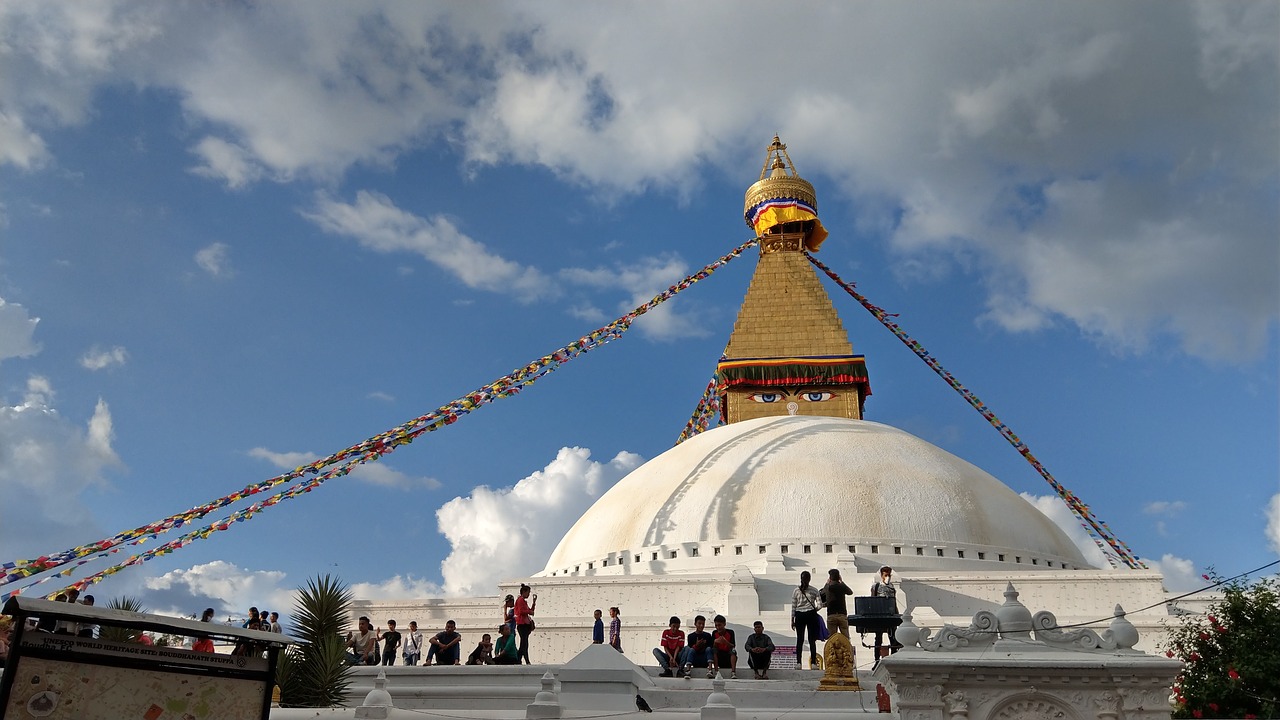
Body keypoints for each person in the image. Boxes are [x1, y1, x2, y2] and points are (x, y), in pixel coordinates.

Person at [871, 566, 901, 667]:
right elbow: (873, 600)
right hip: (880, 616)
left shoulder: (892, 587)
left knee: (893, 638)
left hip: (891, 616)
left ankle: (894, 659)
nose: (887, 577)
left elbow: (894, 601)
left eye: (889, 575)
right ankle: (876, 660)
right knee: (878, 639)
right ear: (881, 575)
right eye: (885, 575)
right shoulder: (876, 586)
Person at [791, 570, 822, 669]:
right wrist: (814, 610)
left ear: (801, 579)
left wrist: (792, 620)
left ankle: (798, 663)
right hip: (811, 615)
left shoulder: (796, 591)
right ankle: (813, 663)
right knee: (811, 640)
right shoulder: (814, 590)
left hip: (799, 615)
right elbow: (820, 605)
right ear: (809, 579)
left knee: (800, 640)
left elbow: (793, 606)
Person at [823, 568, 854, 638]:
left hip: (831, 614)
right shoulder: (842, 586)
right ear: (839, 577)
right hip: (842, 614)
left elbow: (822, 592)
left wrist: (827, 583)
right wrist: (842, 581)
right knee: (845, 637)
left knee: (831, 638)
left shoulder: (828, 588)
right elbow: (850, 592)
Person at [514, 584, 537, 664]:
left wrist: (534, 603)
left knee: (524, 643)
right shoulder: (520, 600)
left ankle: (521, 659)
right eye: (528, 592)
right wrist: (530, 611)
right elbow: (521, 611)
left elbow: (530, 611)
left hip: (525, 624)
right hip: (522, 624)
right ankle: (522, 659)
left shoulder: (523, 601)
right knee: (524, 643)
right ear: (524, 592)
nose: (528, 594)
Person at [711, 615, 738, 679]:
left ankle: (733, 672)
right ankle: (716, 671)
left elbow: (733, 645)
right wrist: (715, 642)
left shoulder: (730, 632)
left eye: (719, 625)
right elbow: (712, 646)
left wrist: (725, 642)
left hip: (728, 656)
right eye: (716, 625)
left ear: (724, 624)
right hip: (719, 656)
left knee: (733, 650)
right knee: (713, 650)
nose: (718, 627)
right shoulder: (714, 633)